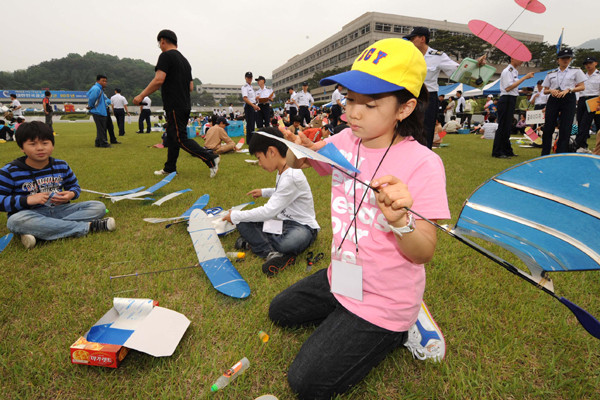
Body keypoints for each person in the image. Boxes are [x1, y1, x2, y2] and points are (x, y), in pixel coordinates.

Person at [269, 38, 450, 399]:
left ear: (405, 107)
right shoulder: (345, 141)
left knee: (306, 381)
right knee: (280, 311)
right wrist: (297, 148)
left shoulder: (424, 164)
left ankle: (404, 324)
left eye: (370, 103)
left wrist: (401, 222)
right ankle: (348, 312)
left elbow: (423, 252)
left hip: (385, 295)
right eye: (350, 99)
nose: (354, 112)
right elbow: (300, 163)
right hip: (344, 275)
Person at [0, 121, 116, 249]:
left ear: (52, 145)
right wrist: (27, 200)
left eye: (45, 143)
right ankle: (88, 227)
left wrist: (70, 194)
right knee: (15, 221)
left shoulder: (61, 165)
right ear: (22, 147)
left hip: (61, 210)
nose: (40, 148)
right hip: (28, 214)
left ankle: (42, 232)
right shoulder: (9, 171)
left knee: (98, 206)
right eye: (32, 144)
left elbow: (74, 187)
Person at [223, 127, 319, 277]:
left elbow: (269, 211)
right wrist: (264, 192)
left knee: (289, 242)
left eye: (259, 157)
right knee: (243, 222)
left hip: (302, 227)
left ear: (272, 152)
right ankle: (274, 252)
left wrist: (235, 215)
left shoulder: (292, 175)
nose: (259, 163)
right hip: (282, 224)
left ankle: (261, 246)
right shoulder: (283, 170)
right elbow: (281, 193)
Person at [134, 29, 219, 178]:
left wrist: (141, 95)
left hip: (174, 104)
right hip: (185, 104)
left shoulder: (165, 56)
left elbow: (159, 79)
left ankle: (210, 158)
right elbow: (191, 87)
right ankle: (170, 168)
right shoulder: (185, 61)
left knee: (180, 138)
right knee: (173, 137)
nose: (160, 46)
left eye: (160, 44)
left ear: (162, 41)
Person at [404, 26, 485, 149]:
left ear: (422, 39)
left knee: (426, 130)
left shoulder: (437, 56)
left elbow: (458, 70)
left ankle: (424, 158)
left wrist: (476, 64)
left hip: (428, 97)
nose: (410, 41)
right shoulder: (407, 55)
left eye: (412, 38)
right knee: (408, 129)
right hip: (409, 95)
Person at [541, 49, 586, 155]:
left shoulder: (576, 71)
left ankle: (561, 153)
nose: (566, 60)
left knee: (566, 127)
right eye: (563, 58)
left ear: (570, 59)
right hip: (554, 98)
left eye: (568, 58)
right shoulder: (551, 73)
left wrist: (569, 89)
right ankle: (545, 152)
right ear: (558, 60)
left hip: (568, 98)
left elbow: (582, 87)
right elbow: (545, 90)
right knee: (548, 126)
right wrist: (551, 90)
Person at [492, 58, 535, 158]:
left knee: (507, 126)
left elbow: (513, 87)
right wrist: (524, 78)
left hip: (512, 98)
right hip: (506, 99)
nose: (521, 60)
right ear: (512, 58)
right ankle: (497, 151)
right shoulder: (507, 71)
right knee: (502, 126)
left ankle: (507, 150)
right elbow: (508, 88)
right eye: (519, 58)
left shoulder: (515, 71)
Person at [575, 57, 600, 153]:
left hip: (593, 100)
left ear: (595, 63)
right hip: (582, 100)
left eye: (590, 63)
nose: (588, 65)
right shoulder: (582, 76)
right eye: (586, 64)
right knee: (580, 123)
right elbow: (578, 88)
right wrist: (577, 100)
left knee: (586, 123)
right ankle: (583, 146)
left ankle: (577, 145)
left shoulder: (598, 75)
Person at [87, 74, 112, 148]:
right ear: (98, 81)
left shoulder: (99, 89)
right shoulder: (96, 89)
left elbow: (106, 100)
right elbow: (92, 98)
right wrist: (91, 106)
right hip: (98, 111)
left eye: (105, 81)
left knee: (100, 128)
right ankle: (103, 143)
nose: (105, 82)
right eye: (103, 81)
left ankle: (98, 142)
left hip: (101, 111)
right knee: (101, 128)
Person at [242, 71, 260, 144]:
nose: (249, 79)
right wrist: (253, 106)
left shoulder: (251, 87)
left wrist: (257, 99)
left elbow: (252, 98)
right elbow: (245, 98)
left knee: (252, 123)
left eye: (250, 77)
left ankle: (251, 140)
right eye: (248, 77)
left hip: (253, 105)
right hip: (249, 106)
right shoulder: (244, 87)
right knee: (250, 123)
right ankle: (250, 141)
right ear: (245, 78)